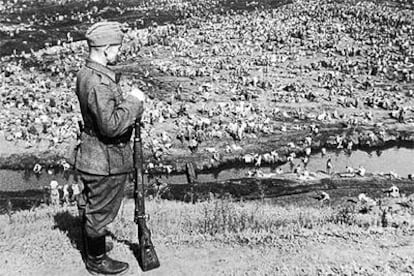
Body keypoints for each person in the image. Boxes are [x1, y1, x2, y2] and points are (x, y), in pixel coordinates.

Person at [74, 21, 145, 275]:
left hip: (92, 154)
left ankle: (91, 248)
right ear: (105, 49)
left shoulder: (87, 73)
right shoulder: (99, 84)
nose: (119, 52)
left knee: (92, 205)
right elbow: (112, 126)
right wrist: (134, 102)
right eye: (116, 47)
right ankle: (96, 259)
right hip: (106, 160)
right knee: (101, 212)